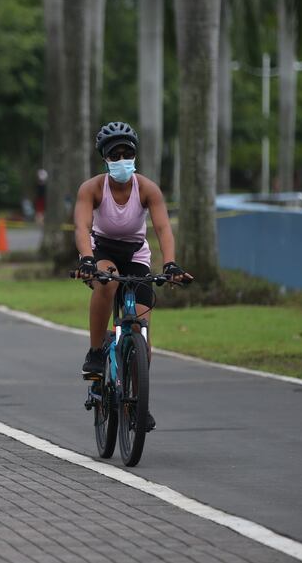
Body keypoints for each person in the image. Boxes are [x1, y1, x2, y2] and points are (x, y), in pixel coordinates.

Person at [72, 122, 191, 431]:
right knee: (108, 282)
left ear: (135, 155)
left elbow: (163, 228)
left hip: (136, 255)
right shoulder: (92, 188)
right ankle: (96, 352)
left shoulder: (148, 189)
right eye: (115, 155)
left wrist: (171, 264)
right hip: (103, 251)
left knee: (141, 330)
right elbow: (82, 227)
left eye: (127, 154)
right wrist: (87, 259)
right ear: (105, 158)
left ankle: (138, 404)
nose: (122, 160)